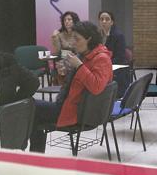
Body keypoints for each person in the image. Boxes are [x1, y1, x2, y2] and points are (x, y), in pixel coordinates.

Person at [29, 21, 113, 153]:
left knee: (31, 106)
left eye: (77, 39)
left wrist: (79, 66)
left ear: (89, 39)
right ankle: (35, 156)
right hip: (74, 107)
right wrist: (63, 75)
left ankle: (33, 156)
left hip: (79, 114)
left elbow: (96, 87)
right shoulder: (86, 56)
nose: (73, 42)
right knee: (34, 115)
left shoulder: (101, 58)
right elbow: (72, 87)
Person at [51, 11, 80, 85]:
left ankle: (67, 87)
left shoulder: (79, 33)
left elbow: (80, 50)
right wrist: (54, 37)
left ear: (74, 21)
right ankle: (63, 88)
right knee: (61, 64)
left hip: (77, 58)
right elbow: (57, 51)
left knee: (64, 65)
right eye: (65, 20)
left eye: (69, 19)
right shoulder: (60, 34)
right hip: (63, 59)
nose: (66, 22)